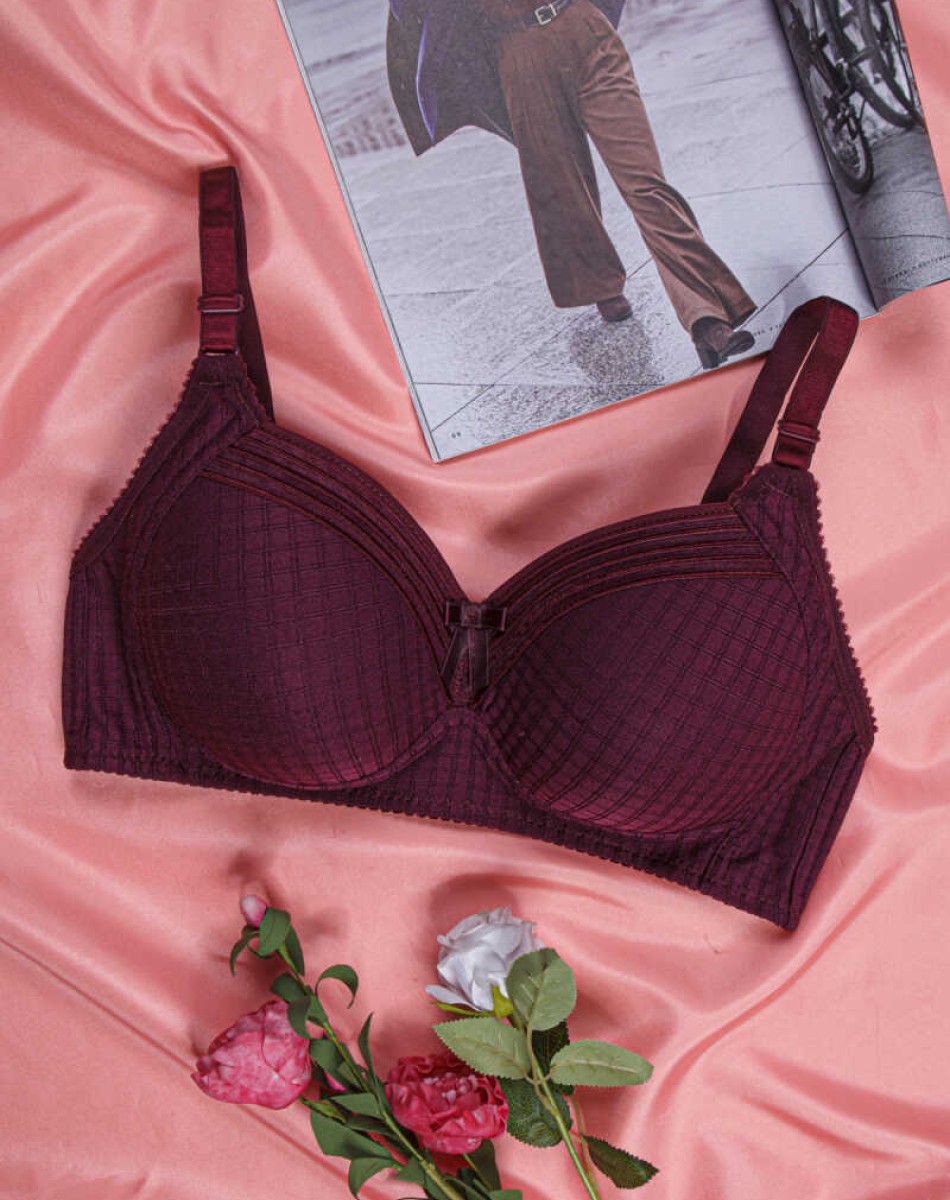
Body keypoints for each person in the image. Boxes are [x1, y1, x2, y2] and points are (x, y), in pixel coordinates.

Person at [387, 0, 756, 368]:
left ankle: (707, 317)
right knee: (560, 182)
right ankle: (598, 282)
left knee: (646, 184)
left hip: (588, 31)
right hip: (520, 50)